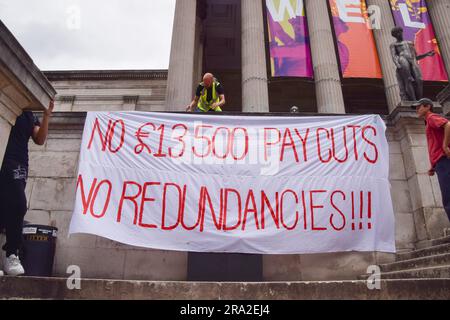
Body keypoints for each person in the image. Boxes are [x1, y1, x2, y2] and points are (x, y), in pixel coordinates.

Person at [0, 101, 54, 276]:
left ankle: (12, 253)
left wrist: (47, 115)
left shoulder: (30, 115)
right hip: (3, 156)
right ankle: (11, 254)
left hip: (18, 163)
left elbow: (40, 139)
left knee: (18, 205)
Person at [412, 98, 450, 223]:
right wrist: (433, 165)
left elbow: (448, 124)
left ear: (428, 106)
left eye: (419, 107)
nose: (417, 110)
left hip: (444, 161)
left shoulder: (431, 117)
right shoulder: (429, 121)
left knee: (448, 198)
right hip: (440, 163)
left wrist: (445, 145)